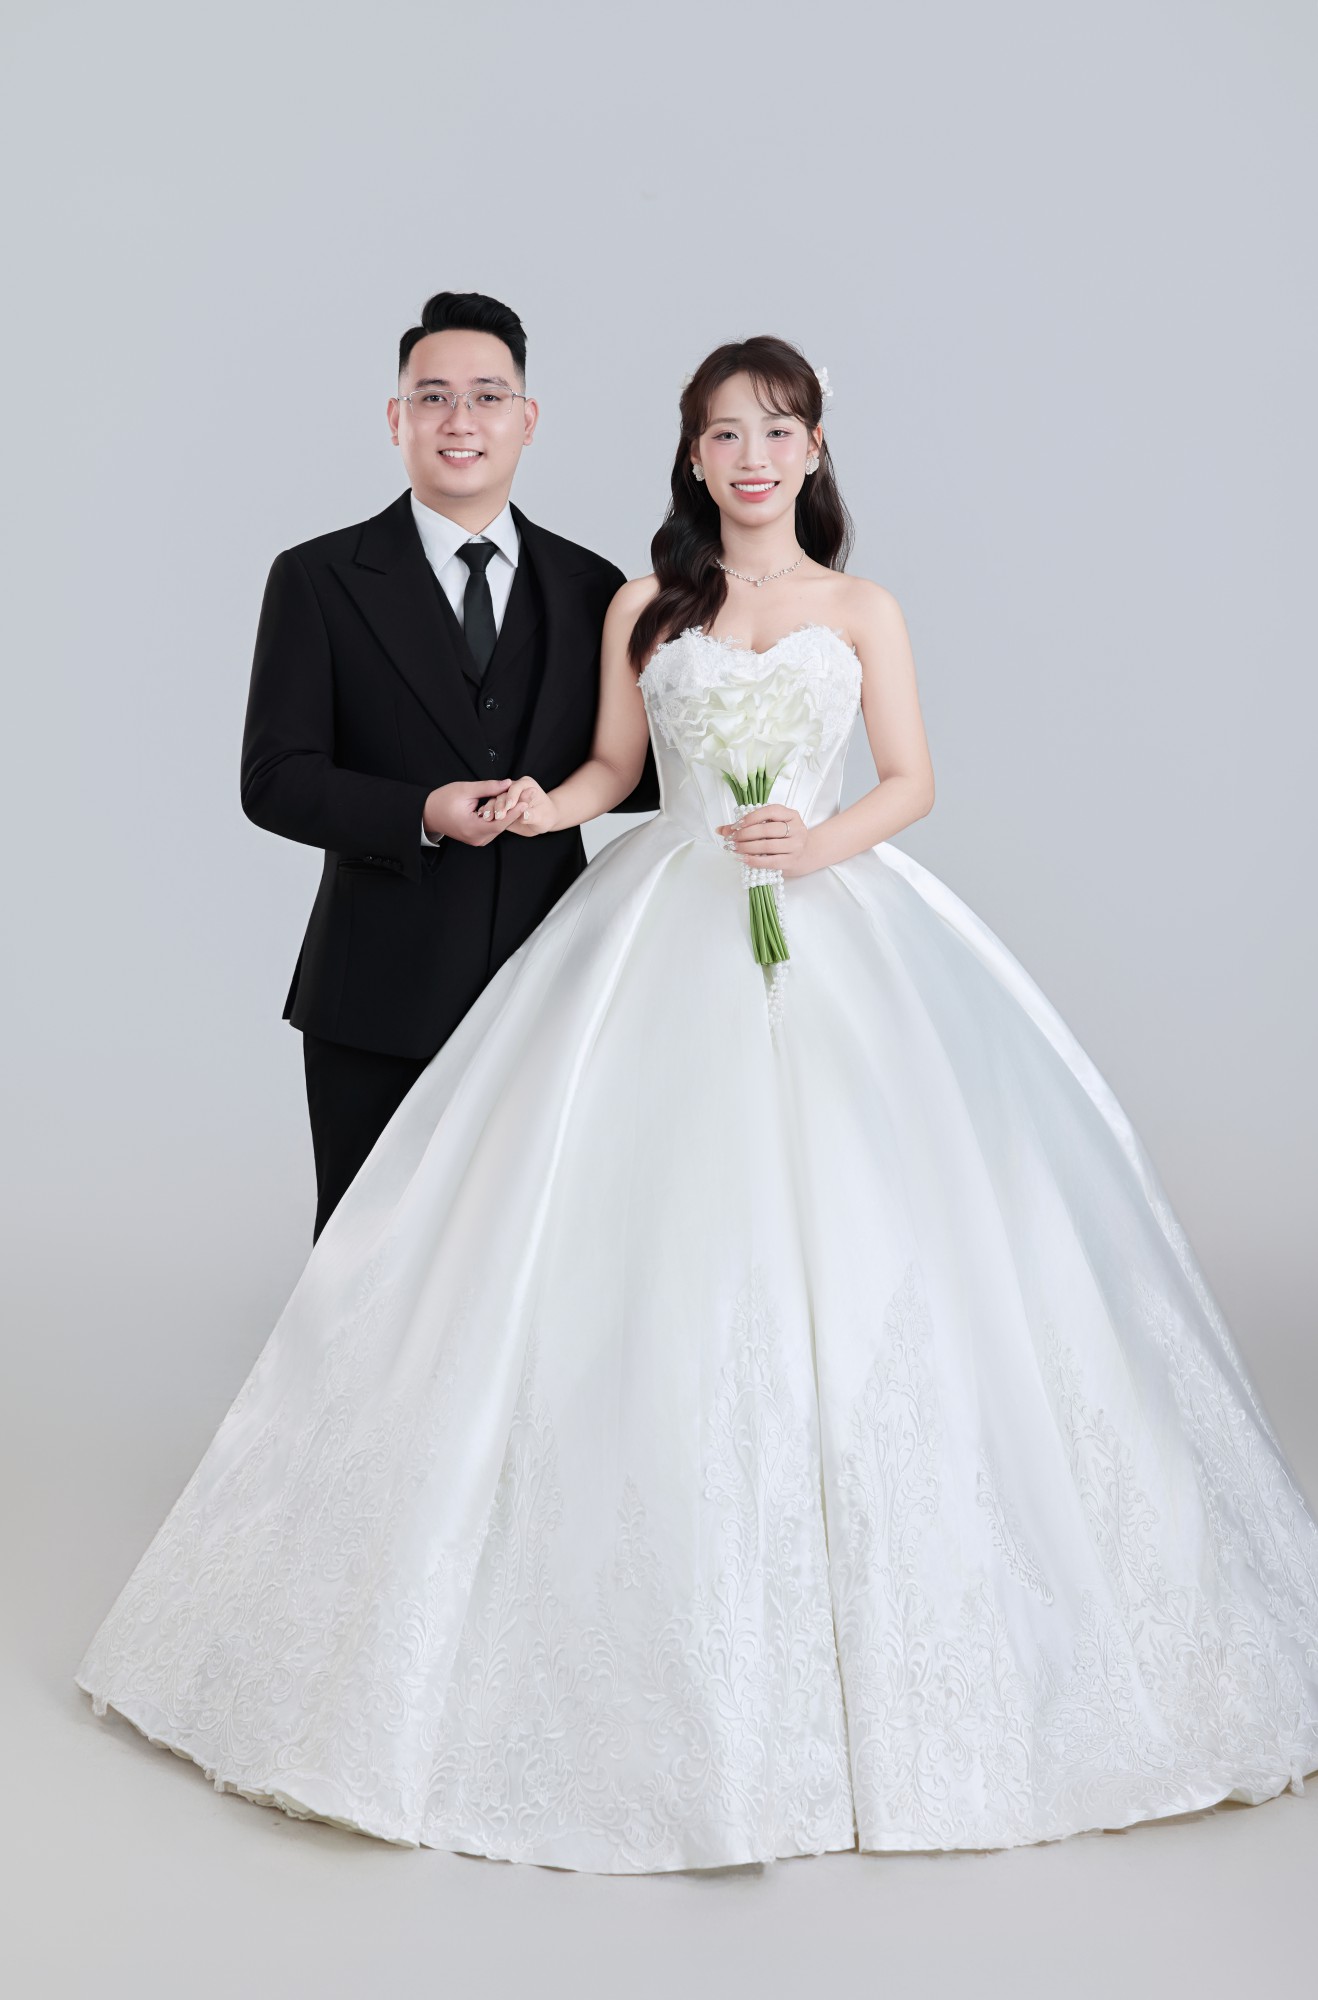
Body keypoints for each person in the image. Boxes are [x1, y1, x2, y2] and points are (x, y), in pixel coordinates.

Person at [77, 336, 1318, 1873]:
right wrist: (537, 806)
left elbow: (911, 779)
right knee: (631, 1237)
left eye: (776, 431)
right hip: (659, 917)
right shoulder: (641, 607)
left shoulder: (861, 609)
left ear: (814, 450)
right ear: (691, 456)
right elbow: (615, 767)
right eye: (723, 434)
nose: (749, 457)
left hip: (827, 915)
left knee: (874, 1239)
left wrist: (817, 841)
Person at [240, 290, 657, 1238]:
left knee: (532, 1256)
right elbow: (274, 777)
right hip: (375, 991)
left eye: (487, 397)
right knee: (365, 1258)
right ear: (396, 419)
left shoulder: (594, 586)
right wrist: (422, 811)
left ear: (527, 419)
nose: (460, 420)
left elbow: (635, 768)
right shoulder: (317, 578)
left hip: (552, 984)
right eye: (432, 398)